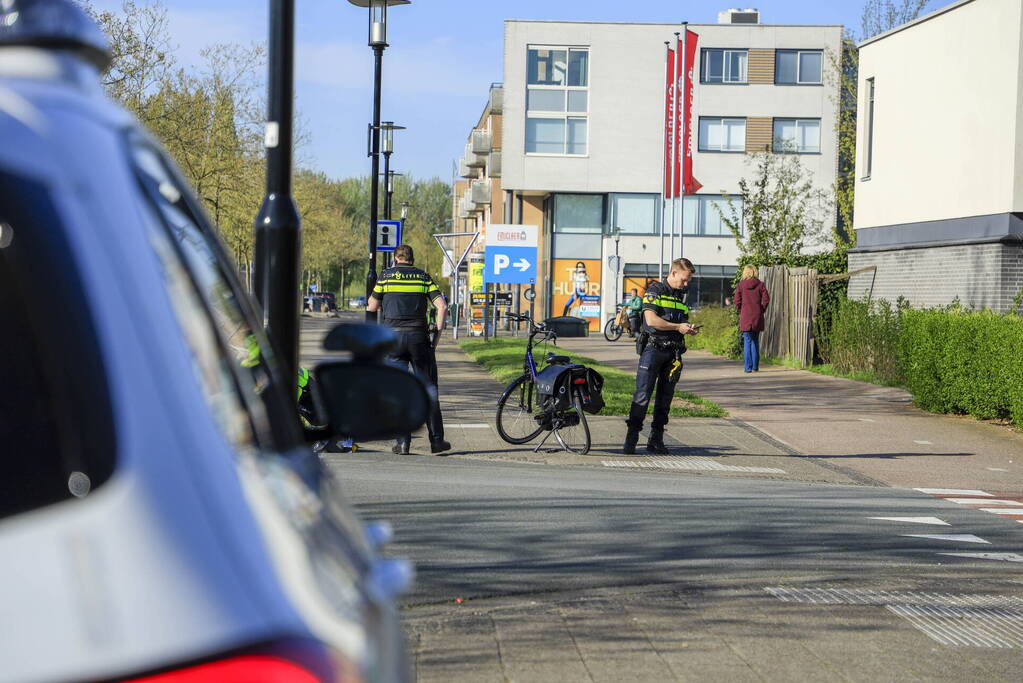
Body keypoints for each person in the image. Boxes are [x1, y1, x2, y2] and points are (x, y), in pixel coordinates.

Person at [368, 244, 451, 455]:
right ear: (412, 260)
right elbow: (441, 306)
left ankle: (403, 442)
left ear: (396, 259)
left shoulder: (386, 277)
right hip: (418, 338)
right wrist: (437, 337)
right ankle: (437, 441)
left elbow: (372, 306)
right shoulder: (423, 277)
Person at [623, 258, 700, 455]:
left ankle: (656, 439)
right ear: (673, 273)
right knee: (642, 395)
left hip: (673, 352)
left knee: (665, 399)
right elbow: (652, 320)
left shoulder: (682, 295)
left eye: (688, 281)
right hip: (653, 349)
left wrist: (688, 328)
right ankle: (631, 438)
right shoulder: (655, 290)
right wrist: (677, 327)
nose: (686, 284)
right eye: (683, 279)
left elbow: (682, 319)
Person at [734, 264, 770, 373]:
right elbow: (766, 300)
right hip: (757, 316)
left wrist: (741, 311)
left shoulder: (741, 285)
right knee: (755, 341)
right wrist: (761, 310)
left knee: (747, 341)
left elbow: (737, 301)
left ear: (745, 272)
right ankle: (755, 366)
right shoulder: (761, 285)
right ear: (755, 272)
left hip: (745, 316)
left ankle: (747, 367)